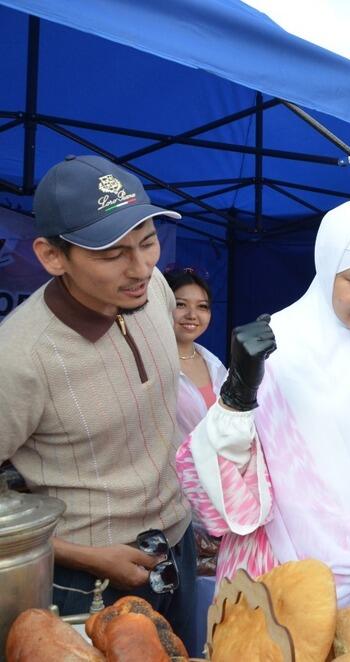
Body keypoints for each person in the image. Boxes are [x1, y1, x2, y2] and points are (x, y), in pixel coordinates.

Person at [175, 199, 350, 639]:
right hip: (284, 582)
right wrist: (238, 394)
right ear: (327, 269)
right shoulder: (280, 345)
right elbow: (215, 486)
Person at [0, 155, 197, 651]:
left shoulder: (154, 290)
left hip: (179, 546)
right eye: (111, 254)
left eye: (148, 241)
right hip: (87, 579)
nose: (140, 268)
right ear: (51, 256)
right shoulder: (20, 357)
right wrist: (82, 555)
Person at [164, 268, 226, 442]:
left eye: (202, 306)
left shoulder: (214, 364)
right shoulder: (150, 364)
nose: (192, 315)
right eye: (181, 304)